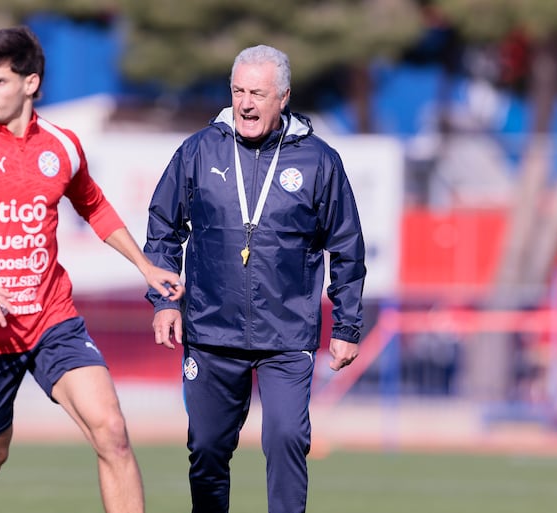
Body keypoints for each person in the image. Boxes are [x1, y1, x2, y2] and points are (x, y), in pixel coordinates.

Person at [0, 26, 183, 513]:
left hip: (51, 320)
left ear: (31, 83)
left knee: (112, 432)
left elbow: (95, 207)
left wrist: (145, 266)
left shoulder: (62, 145)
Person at [144, 45, 366, 513]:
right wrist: (164, 300)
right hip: (211, 330)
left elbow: (346, 246)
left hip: (286, 334)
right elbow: (163, 227)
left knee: (287, 439)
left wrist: (346, 326)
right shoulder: (199, 151)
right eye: (238, 91)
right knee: (205, 449)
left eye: (258, 93)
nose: (246, 103)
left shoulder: (318, 161)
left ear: (283, 97)